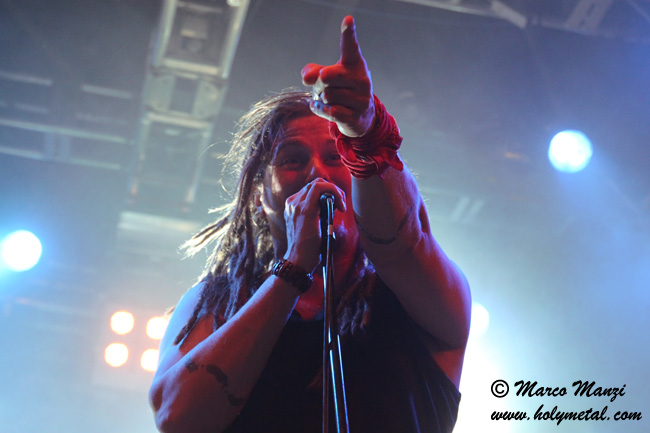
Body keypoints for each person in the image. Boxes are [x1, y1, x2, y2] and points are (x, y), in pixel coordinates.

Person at [149, 15, 471, 433]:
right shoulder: (217, 301)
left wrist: (364, 132)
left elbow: (402, 242)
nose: (317, 172)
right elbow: (178, 419)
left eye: (336, 157)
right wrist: (294, 268)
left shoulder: (410, 297)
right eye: (292, 160)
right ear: (259, 196)